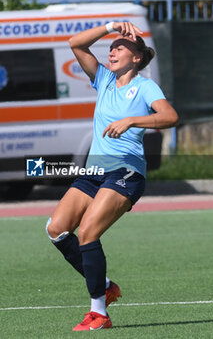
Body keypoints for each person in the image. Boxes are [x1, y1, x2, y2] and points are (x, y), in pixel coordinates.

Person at [46, 21, 179, 331]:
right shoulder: (104, 80)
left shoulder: (146, 87)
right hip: (95, 170)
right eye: (112, 46)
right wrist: (109, 26)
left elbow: (170, 117)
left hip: (126, 171)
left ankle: (99, 312)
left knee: (88, 232)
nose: (113, 49)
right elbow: (76, 43)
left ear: (137, 57)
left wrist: (132, 120)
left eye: (121, 46)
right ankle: (105, 285)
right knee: (56, 229)